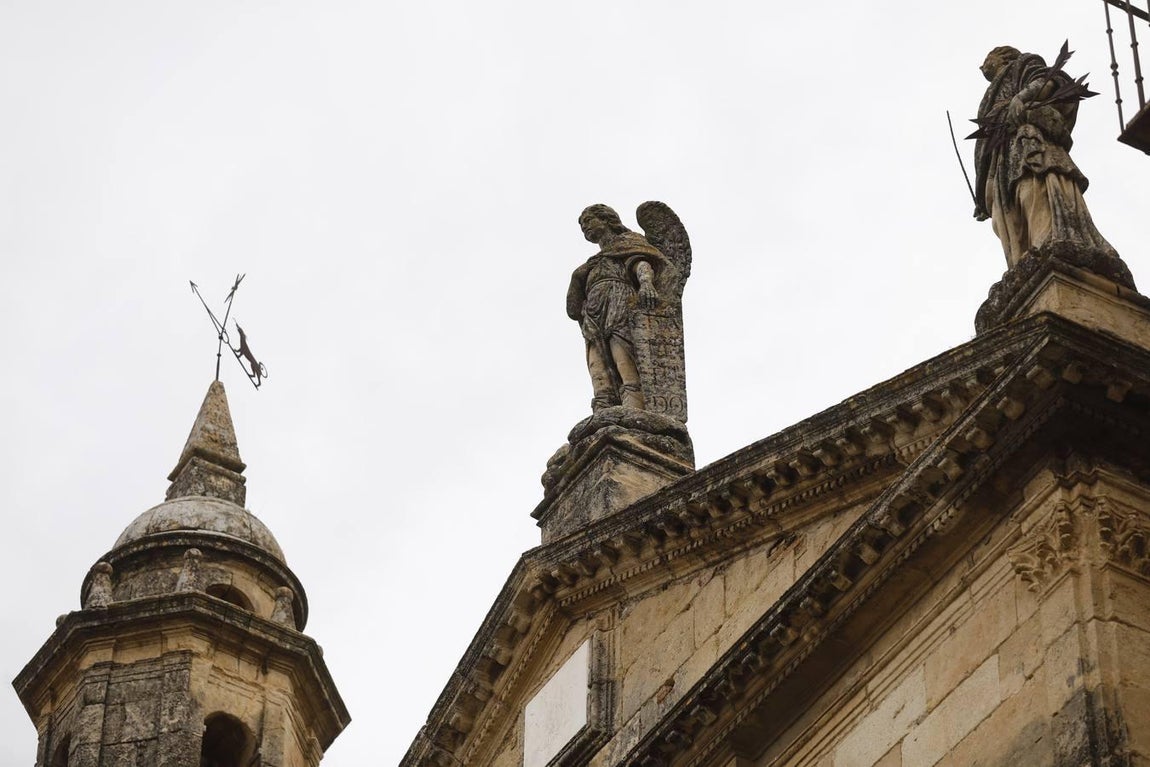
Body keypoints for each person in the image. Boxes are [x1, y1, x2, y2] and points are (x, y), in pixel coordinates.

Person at [973, 45, 1117, 268]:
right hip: (1001, 154)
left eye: (987, 57)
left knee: (1031, 187)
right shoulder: (991, 94)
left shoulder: (1022, 64)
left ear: (1003, 56)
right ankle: (1020, 261)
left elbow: (1048, 80)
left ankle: (1045, 241)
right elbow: (985, 144)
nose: (982, 65)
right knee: (1003, 214)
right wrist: (981, 193)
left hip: (1025, 139)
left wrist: (1021, 98)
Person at [567, 204, 664, 411]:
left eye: (588, 221)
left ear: (607, 220)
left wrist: (646, 284)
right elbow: (573, 308)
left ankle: (634, 407)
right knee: (597, 362)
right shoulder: (590, 264)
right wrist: (578, 278)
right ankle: (604, 404)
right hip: (593, 314)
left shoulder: (627, 243)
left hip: (619, 303)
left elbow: (641, 263)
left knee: (622, 354)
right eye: (582, 225)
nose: (585, 227)